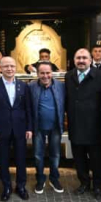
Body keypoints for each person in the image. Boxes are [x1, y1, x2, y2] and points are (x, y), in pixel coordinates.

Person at [0, 56, 33, 201]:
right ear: (0, 68)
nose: (9, 69)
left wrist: (29, 128)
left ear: (15, 67)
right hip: (1, 130)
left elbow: (28, 109)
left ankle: (21, 186)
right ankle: (6, 187)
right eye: (6, 66)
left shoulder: (23, 86)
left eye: (12, 66)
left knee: (21, 160)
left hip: (20, 129)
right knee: (3, 160)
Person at [66, 48, 101, 200]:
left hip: (94, 126)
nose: (81, 61)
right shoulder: (69, 76)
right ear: (74, 60)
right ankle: (84, 182)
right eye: (78, 58)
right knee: (79, 158)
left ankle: (97, 185)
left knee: (96, 159)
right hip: (75, 125)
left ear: (91, 60)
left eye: (84, 58)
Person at [28, 61, 65, 194]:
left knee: (55, 155)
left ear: (52, 73)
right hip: (38, 127)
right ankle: (40, 179)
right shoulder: (31, 86)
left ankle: (54, 179)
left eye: (48, 73)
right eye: (42, 73)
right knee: (38, 155)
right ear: (37, 74)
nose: (45, 76)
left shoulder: (61, 86)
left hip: (55, 127)